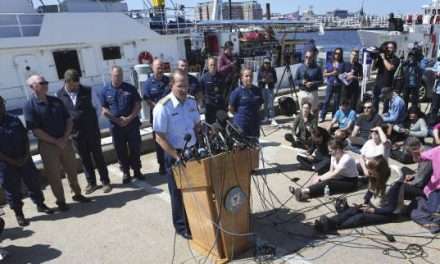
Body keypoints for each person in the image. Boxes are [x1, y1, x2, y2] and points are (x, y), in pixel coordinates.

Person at [24, 75, 90, 211]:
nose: (46, 84)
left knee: (72, 170)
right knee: (54, 175)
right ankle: (60, 201)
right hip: (48, 146)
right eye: (42, 83)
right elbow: (36, 131)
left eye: (46, 82)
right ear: (32, 87)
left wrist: (65, 137)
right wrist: (55, 141)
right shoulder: (29, 106)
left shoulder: (56, 101)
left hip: (65, 141)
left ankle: (77, 194)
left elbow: (68, 120)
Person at [153, 69, 201, 239]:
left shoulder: (191, 102)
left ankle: (196, 220)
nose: (184, 89)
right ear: (171, 85)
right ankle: (182, 227)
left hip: (193, 151)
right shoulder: (162, 107)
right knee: (178, 193)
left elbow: (196, 125)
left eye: (186, 86)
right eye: (180, 86)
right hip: (175, 154)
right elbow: (159, 137)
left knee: (196, 188)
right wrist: (176, 156)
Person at [314, 155, 405, 233]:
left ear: (380, 171)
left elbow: (391, 208)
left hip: (389, 214)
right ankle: (330, 222)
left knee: (360, 217)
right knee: (354, 210)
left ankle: (331, 226)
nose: (369, 174)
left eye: (372, 172)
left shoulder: (394, 185)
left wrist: (373, 211)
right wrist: (365, 202)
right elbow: (370, 191)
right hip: (375, 206)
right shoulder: (375, 176)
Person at [0, 96, 53, 226]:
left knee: (33, 182)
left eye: (2, 103)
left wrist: (26, 155)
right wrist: (12, 161)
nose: (2, 107)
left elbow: (25, 138)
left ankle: (40, 204)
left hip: (24, 158)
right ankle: (19, 214)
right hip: (6, 164)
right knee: (12, 190)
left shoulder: (14, 119)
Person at [56, 69, 111, 194]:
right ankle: (92, 183)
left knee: (98, 157)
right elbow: (62, 114)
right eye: (72, 86)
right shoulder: (59, 95)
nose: (75, 87)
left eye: (77, 85)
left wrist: (89, 122)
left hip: (92, 131)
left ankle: (105, 181)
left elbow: (98, 108)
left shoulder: (88, 90)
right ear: (66, 82)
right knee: (84, 159)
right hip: (76, 134)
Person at [100, 66, 144, 183]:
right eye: (115, 75)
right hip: (116, 127)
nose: (118, 77)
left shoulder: (130, 88)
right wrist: (117, 120)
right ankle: (126, 172)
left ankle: (137, 171)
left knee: (135, 148)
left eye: (120, 75)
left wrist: (128, 118)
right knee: (120, 150)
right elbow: (104, 109)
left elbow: (138, 105)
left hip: (132, 124)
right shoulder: (105, 91)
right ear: (111, 75)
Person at [293, 139, 358, 201]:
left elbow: (333, 174)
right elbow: (330, 171)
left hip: (350, 182)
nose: (329, 153)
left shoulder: (346, 159)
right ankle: (306, 193)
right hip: (341, 177)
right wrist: (319, 178)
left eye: (331, 151)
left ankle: (304, 191)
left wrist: (320, 179)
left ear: (338, 150)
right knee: (322, 181)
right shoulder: (334, 156)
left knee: (328, 183)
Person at [143, 59, 170, 175]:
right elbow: (147, 99)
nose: (160, 69)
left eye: (161, 67)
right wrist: (158, 108)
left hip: (169, 116)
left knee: (170, 139)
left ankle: (171, 161)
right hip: (156, 117)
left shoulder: (168, 81)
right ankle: (162, 165)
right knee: (159, 141)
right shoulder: (148, 83)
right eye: (158, 67)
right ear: (152, 68)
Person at [228, 68, 264, 138]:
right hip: (241, 126)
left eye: (251, 76)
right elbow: (230, 108)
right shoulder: (237, 92)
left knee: (255, 147)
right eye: (246, 76)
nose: (249, 78)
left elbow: (260, 105)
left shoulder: (257, 90)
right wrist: (241, 116)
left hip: (254, 126)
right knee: (242, 148)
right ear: (241, 78)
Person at [372, 41, 400, 112]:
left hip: (387, 84)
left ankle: (385, 117)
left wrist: (384, 58)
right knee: (375, 100)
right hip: (378, 82)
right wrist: (375, 58)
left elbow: (390, 68)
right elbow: (373, 68)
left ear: (395, 49)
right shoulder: (382, 57)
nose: (389, 49)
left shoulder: (396, 59)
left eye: (391, 48)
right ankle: (375, 115)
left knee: (386, 103)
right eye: (388, 48)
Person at [294, 50, 323, 115]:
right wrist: (302, 82)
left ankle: (313, 125)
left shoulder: (317, 68)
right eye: (306, 57)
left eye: (310, 57)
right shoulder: (300, 68)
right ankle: (303, 125)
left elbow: (321, 81)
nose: (308, 59)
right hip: (302, 92)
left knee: (313, 112)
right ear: (304, 57)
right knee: (302, 112)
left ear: (313, 58)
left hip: (313, 93)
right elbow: (295, 80)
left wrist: (313, 83)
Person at [320, 48, 345, 122]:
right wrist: (332, 73)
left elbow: (345, 74)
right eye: (336, 53)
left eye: (339, 54)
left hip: (338, 84)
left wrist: (340, 74)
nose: (337, 55)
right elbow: (324, 74)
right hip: (330, 84)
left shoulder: (342, 64)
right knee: (326, 101)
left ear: (341, 55)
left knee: (336, 102)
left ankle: (334, 116)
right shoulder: (329, 63)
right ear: (334, 54)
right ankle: (322, 116)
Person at [200, 57, 226, 124]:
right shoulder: (204, 78)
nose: (213, 66)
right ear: (208, 66)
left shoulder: (222, 77)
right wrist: (202, 103)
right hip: (209, 106)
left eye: (214, 64)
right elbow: (201, 92)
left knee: (222, 124)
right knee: (211, 126)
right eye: (211, 65)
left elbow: (224, 91)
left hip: (220, 105)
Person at [257, 57, 278, 122]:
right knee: (265, 103)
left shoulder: (272, 70)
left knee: (271, 103)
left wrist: (271, 80)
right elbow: (258, 79)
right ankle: (266, 117)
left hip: (270, 88)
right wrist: (262, 80)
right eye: (265, 63)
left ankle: (272, 117)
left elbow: (275, 79)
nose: (267, 64)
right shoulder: (260, 70)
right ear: (263, 63)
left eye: (268, 63)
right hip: (263, 88)